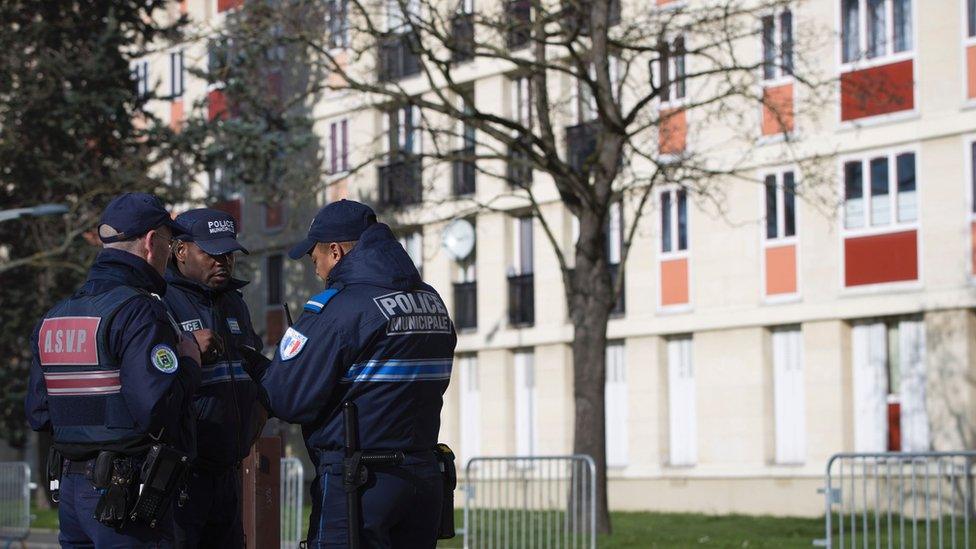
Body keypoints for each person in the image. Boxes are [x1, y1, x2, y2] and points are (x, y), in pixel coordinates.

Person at [250, 200, 456, 548]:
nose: (316, 270)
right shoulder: (431, 300)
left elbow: (286, 399)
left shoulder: (341, 308)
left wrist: (264, 370)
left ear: (335, 251)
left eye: (315, 257)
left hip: (361, 484)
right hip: (423, 476)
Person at [25, 192, 202, 548]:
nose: (170, 254)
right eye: (170, 242)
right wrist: (189, 362)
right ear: (152, 242)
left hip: (72, 497)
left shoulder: (56, 315)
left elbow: (38, 414)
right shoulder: (139, 311)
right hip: (123, 501)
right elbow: (155, 409)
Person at [161, 208, 265, 549]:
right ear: (181, 251)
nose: (223, 261)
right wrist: (188, 351)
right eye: (211, 253)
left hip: (228, 471)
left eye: (229, 253)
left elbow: (250, 371)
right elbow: (145, 382)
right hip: (182, 478)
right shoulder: (159, 301)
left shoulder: (234, 303)